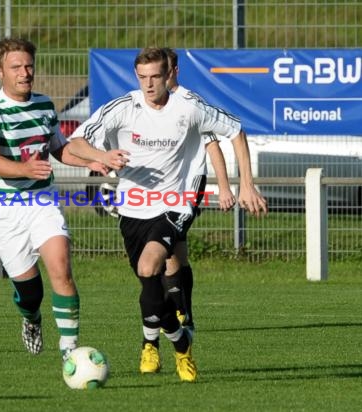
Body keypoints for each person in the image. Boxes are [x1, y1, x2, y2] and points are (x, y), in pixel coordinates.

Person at [68, 47, 268, 382]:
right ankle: (171, 342)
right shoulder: (122, 108)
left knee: (154, 265)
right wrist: (101, 155)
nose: (149, 84)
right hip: (132, 207)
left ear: (169, 75)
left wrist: (244, 184)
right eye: (142, 77)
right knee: (149, 283)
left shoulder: (188, 106)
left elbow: (234, 131)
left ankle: (171, 336)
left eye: (155, 77)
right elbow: (75, 143)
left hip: (177, 203)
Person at [0, 38, 107, 361]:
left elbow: (60, 148)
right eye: (16, 67)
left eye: (29, 65)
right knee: (31, 293)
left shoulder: (45, 104)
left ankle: (70, 352)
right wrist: (24, 168)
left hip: (41, 200)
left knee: (61, 265)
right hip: (5, 208)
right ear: (1, 71)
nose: (25, 72)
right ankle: (31, 320)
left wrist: (91, 161)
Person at [161, 48, 237, 335]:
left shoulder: (190, 103)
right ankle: (184, 312)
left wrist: (225, 187)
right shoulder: (149, 103)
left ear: (175, 72)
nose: (157, 80)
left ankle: (176, 312)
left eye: (163, 72)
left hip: (189, 187)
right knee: (178, 252)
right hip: (161, 189)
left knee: (167, 246)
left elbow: (212, 145)